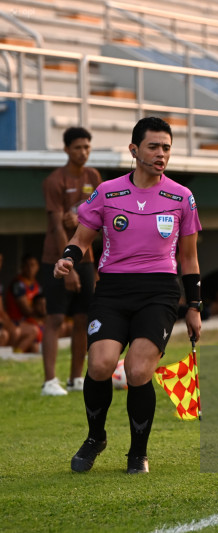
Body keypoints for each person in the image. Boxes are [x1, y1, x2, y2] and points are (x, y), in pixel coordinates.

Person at [54, 117, 202, 474]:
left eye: (166, 147)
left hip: (159, 292)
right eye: (153, 146)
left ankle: (138, 453)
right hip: (113, 290)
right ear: (134, 150)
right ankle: (95, 437)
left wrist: (195, 306)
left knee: (137, 371)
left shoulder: (182, 197)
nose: (161, 154)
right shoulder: (107, 191)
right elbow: (81, 239)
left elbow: (189, 257)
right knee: (102, 364)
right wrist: (68, 259)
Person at [40, 126, 103, 396]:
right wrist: (67, 267)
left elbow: (100, 218)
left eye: (87, 147)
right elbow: (56, 226)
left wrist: (79, 219)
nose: (83, 152)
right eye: (78, 147)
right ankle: (49, 382)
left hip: (86, 259)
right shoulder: (55, 181)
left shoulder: (94, 177)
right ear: (66, 149)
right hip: (56, 258)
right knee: (55, 319)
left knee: (82, 318)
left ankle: (76, 378)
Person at [4, 254, 43, 354]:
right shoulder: (18, 284)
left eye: (33, 265)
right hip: (17, 321)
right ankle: (15, 356)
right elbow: (26, 310)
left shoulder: (36, 285)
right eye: (27, 265)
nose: (30, 268)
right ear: (22, 267)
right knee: (35, 330)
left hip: (30, 321)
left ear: (38, 267)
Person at [0, 253, 21, 348]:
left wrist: (9, 324)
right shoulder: (18, 283)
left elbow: (1, 310)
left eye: (1, 261)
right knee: (4, 335)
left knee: (16, 332)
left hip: (5, 320)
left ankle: (9, 359)